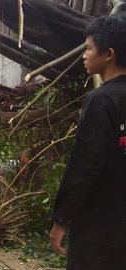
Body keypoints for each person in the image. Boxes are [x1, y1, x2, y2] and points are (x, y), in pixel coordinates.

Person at [49, 14, 126, 269]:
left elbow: (86, 164)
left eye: (89, 49)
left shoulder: (101, 101)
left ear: (109, 54)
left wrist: (62, 218)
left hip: (99, 230)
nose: (84, 55)